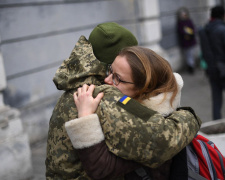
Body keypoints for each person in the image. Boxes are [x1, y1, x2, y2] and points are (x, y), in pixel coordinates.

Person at [45, 22, 201, 180]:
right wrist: (189, 116)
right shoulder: (103, 95)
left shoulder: (77, 84)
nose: (108, 79)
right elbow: (164, 141)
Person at [65, 46, 193, 180]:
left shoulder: (151, 129)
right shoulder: (132, 109)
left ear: (144, 88)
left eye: (117, 78)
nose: (107, 80)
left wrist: (85, 116)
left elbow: (100, 168)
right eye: (110, 71)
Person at [198, 5, 225, 120]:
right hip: (223, 69)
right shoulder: (222, 30)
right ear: (223, 16)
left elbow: (204, 52)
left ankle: (217, 124)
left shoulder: (204, 30)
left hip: (211, 70)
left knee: (216, 99)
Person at [177, 7, 197, 74]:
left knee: (191, 54)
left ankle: (191, 66)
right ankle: (190, 66)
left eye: (185, 15)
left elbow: (193, 29)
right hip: (185, 42)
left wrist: (190, 34)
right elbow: (180, 31)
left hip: (190, 41)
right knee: (187, 55)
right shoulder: (180, 23)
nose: (184, 16)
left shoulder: (189, 21)